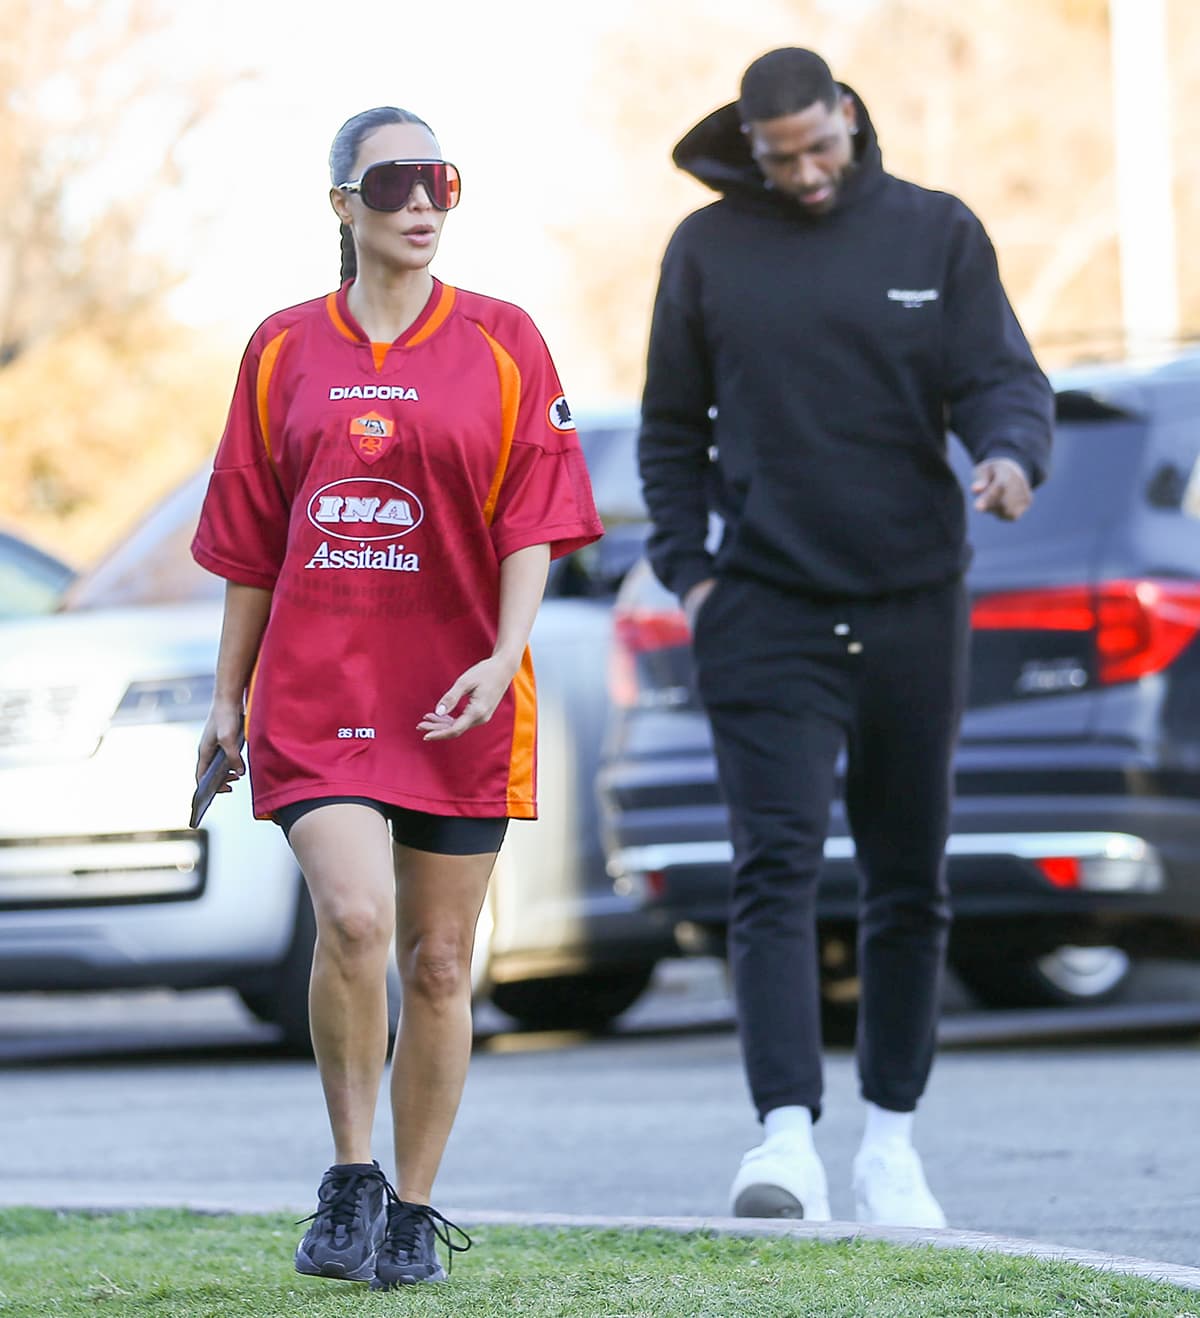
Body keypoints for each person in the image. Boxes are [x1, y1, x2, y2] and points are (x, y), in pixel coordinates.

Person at [638, 48, 1053, 1227]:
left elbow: (999, 380)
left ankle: (894, 1146)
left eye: (821, 148)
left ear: (852, 121)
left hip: (913, 596)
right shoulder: (707, 250)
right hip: (763, 608)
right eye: (781, 159)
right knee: (772, 870)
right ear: (751, 148)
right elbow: (668, 434)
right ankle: (784, 1144)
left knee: (907, 876)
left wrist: (1011, 456)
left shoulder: (935, 232)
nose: (808, 175)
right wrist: (697, 579)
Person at [191, 106, 603, 1288]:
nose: (422, 203)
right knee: (357, 919)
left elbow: (537, 519)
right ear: (342, 206)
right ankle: (350, 1173)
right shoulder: (281, 347)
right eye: (395, 183)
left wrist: (503, 654)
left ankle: (414, 1210)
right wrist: (231, 694)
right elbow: (249, 539)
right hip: (315, 695)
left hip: (462, 697)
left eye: (442, 182)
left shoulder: (506, 339)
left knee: (435, 961)